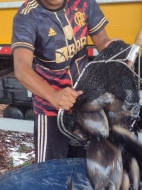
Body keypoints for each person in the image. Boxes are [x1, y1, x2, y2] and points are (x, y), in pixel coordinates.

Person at [11, 0, 115, 162]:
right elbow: (21, 68)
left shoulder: (84, 3)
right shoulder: (27, 16)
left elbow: (102, 41)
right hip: (50, 111)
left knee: (84, 169)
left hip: (85, 104)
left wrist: (112, 48)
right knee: (49, 175)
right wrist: (54, 96)